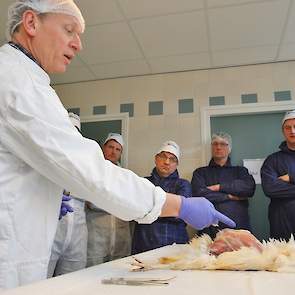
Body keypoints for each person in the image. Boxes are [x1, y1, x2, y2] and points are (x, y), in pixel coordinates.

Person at [0, 0, 235, 289]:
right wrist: (178, 204)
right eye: (69, 30)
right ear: (32, 23)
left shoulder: (26, 80)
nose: (78, 45)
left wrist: (42, 191)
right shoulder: (16, 82)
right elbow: (92, 172)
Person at [191, 132, 255, 238]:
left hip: (238, 227)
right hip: (208, 229)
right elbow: (198, 195)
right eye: (215, 144)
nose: (218, 147)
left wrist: (219, 187)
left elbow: (249, 189)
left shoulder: (240, 171)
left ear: (229, 148)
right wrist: (228, 196)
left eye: (223, 144)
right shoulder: (200, 172)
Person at [132, 141, 192, 254]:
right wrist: (170, 207)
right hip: (143, 242)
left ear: (177, 164)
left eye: (172, 159)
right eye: (163, 156)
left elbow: (181, 214)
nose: (167, 162)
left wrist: (149, 210)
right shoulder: (143, 182)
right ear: (156, 158)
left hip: (176, 243)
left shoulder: (184, 184)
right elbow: (135, 210)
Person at [47, 113, 88, 277]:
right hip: (51, 228)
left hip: (78, 233)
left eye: (76, 132)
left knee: (74, 280)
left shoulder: (86, 164)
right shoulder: (45, 157)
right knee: (42, 279)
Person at [86, 133, 131, 266]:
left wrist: (106, 201)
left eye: (118, 149)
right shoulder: (92, 171)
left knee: (118, 270)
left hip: (120, 233)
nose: (113, 151)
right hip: (96, 231)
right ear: (103, 148)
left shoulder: (126, 176)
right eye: (111, 147)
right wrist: (117, 202)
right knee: (93, 271)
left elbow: (129, 204)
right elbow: (91, 203)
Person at [261, 110, 295, 241]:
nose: (292, 131)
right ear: (283, 131)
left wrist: (290, 178)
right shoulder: (272, 160)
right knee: (283, 260)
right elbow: (270, 188)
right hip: (281, 222)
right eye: (288, 127)